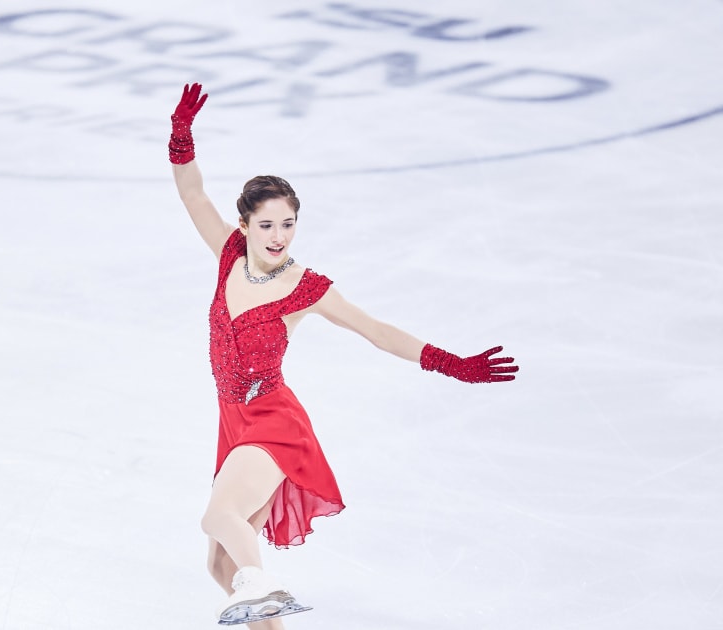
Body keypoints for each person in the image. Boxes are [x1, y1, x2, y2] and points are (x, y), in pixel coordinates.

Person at [168, 83, 518, 627]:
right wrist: (182, 136)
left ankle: (263, 582)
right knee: (219, 563)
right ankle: (265, 608)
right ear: (244, 226)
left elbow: (375, 330)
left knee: (220, 516)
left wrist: (452, 362)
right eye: (267, 225)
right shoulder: (229, 255)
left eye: (288, 224)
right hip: (232, 421)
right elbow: (193, 195)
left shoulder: (304, 287)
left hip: (274, 423)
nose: (279, 236)